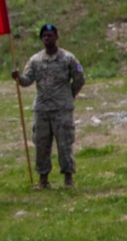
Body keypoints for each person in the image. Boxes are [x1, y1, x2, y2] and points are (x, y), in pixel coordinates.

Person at [12, 23, 85, 188]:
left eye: (50, 35)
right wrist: (18, 78)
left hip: (62, 109)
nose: (47, 38)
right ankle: (43, 179)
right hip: (42, 109)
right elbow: (27, 81)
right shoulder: (35, 60)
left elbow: (80, 78)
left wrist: (69, 95)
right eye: (44, 35)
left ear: (56, 37)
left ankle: (68, 179)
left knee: (65, 144)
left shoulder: (68, 58)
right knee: (41, 144)